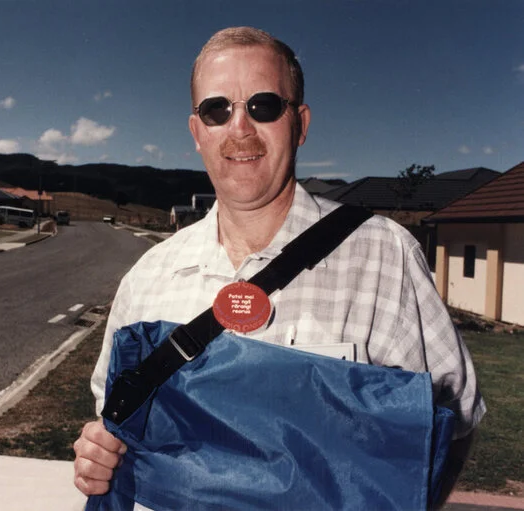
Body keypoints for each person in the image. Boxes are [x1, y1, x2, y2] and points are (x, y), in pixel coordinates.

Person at [73, 26, 485, 507]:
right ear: (197, 132)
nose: (240, 128)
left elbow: (455, 418)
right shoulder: (147, 277)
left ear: (301, 123)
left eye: (263, 106)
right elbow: (112, 417)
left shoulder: (384, 256)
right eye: (217, 109)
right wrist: (98, 453)